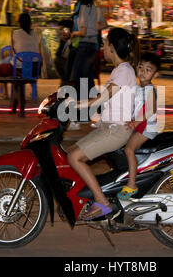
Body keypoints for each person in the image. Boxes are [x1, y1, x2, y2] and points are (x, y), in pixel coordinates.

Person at [67, 27, 139, 220]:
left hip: (115, 132)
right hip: (107, 127)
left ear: (112, 48)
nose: (103, 47)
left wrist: (82, 104)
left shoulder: (124, 70)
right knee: (71, 151)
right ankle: (84, 197)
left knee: (74, 157)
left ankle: (102, 203)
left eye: (105, 44)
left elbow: (106, 95)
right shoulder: (119, 70)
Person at [117, 52, 160, 200]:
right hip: (139, 124)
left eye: (148, 70)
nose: (143, 72)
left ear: (156, 74)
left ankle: (132, 184)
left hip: (147, 127)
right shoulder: (137, 87)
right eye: (141, 67)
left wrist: (134, 122)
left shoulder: (150, 89)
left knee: (129, 149)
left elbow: (150, 110)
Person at [69, 0, 107, 98]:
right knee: (88, 79)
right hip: (93, 46)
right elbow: (103, 24)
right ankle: (96, 107)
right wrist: (93, 28)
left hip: (84, 45)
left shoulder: (83, 6)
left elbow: (82, 31)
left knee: (80, 79)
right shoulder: (94, 5)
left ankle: (83, 111)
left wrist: (72, 34)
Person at [11, 13, 47, 80]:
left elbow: (12, 52)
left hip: (20, 70)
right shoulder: (37, 33)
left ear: (19, 23)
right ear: (30, 23)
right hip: (35, 70)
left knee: (5, 66)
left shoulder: (14, 33)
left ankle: (11, 89)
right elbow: (40, 52)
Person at [54, 19, 73, 86]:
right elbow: (59, 54)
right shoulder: (64, 41)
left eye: (62, 29)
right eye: (60, 29)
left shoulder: (72, 40)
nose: (60, 32)